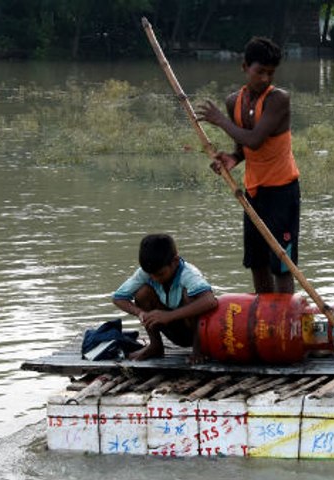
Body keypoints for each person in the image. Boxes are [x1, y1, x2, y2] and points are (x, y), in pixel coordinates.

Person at [196, 36, 300, 294]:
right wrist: (233, 158)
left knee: (282, 265)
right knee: (257, 262)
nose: (265, 78)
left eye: (270, 73)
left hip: (282, 191)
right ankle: (264, 314)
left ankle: (283, 316)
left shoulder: (278, 99)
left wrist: (220, 121)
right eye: (259, 72)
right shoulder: (234, 101)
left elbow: (254, 140)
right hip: (254, 191)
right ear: (245, 67)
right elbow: (244, 147)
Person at [112, 234, 217, 362]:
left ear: (175, 261)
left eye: (160, 274)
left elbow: (210, 301)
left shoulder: (188, 274)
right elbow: (118, 298)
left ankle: (198, 349)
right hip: (173, 330)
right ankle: (155, 345)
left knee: (191, 295)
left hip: (196, 331)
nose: (155, 279)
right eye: (151, 275)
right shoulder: (147, 272)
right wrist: (140, 313)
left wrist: (169, 316)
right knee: (142, 293)